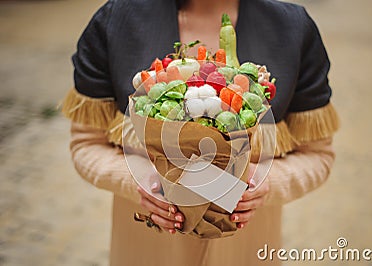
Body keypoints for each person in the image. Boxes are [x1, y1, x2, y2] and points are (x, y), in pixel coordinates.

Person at [62, 0, 339, 265]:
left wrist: (267, 185)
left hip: (246, 250)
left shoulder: (292, 27)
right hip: (146, 249)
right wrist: (138, 182)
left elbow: (318, 155)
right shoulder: (116, 21)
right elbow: (86, 145)